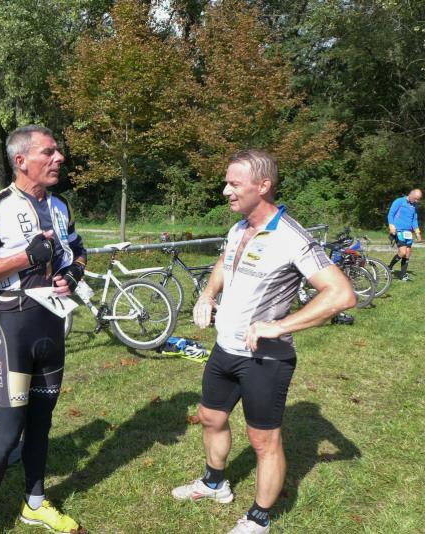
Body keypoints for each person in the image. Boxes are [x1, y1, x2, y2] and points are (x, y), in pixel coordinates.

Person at [171, 150, 356, 534]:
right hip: (225, 348)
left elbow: (341, 294)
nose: (225, 191)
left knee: (263, 440)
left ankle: (259, 518)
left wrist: (280, 325)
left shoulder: (290, 236)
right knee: (210, 417)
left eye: (234, 184)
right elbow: (225, 261)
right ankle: (214, 484)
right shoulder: (238, 228)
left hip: (265, 359)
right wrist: (207, 294)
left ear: (263, 186)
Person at [0, 125, 87, 534]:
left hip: (53, 325)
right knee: (9, 429)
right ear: (21, 161)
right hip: (14, 329)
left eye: (57, 151)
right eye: (48, 152)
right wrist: (26, 257)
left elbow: (79, 251)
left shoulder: (61, 205)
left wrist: (73, 273)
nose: (59, 158)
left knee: (41, 424)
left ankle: (34, 504)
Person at [387, 188, 422, 281]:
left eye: (418, 199)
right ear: (410, 194)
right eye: (415, 198)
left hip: (408, 232)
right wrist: (391, 226)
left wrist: (417, 233)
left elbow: (414, 220)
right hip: (398, 230)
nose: (417, 201)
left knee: (407, 254)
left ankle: (403, 275)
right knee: (402, 252)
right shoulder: (399, 201)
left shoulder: (414, 205)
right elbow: (390, 214)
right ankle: (389, 267)